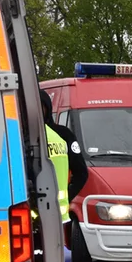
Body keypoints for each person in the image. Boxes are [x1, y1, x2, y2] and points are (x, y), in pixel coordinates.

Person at [40, 89, 89, 223]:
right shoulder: (19, 134)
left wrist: (66, 197)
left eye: (40, 107)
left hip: (55, 215)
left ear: (47, 108)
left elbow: (81, 173)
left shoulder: (63, 134)